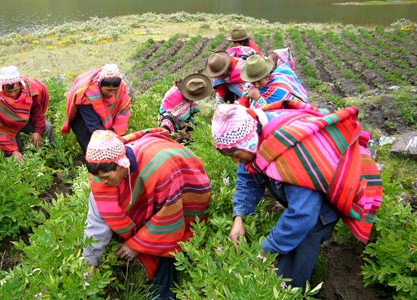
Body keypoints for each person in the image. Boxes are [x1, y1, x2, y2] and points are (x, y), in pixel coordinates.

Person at [210, 102, 383, 289]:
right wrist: (239, 217)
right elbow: (248, 177)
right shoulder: (256, 138)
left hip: (327, 196)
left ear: (249, 142)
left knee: (300, 252)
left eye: (236, 154)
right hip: (307, 196)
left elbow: (303, 214)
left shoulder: (290, 151)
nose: (236, 160)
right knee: (287, 242)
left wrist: (267, 250)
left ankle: (293, 290)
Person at [82, 129, 211, 299]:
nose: (103, 182)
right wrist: (90, 263)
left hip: (182, 181)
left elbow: (168, 218)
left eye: (106, 176)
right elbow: (96, 224)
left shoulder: (159, 170)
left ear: (122, 164)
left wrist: (137, 245)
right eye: (98, 177)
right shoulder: (102, 181)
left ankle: (164, 292)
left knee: (170, 245)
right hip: (157, 183)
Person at [0, 65, 55, 162]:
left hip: (26, 120)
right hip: (8, 127)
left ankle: (53, 154)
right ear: (2, 87)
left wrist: (38, 131)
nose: (13, 94)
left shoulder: (30, 91)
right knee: (17, 153)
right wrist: (12, 151)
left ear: (20, 85)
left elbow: (37, 113)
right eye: (9, 91)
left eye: (16, 90)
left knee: (48, 127)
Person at [61, 64, 132, 153]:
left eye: (115, 90)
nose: (112, 94)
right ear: (100, 86)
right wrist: (107, 142)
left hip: (106, 119)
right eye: (108, 90)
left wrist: (117, 137)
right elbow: (94, 126)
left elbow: (123, 114)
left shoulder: (122, 89)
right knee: (93, 150)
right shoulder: (87, 94)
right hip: (83, 121)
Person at [158, 73, 212, 143]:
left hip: (180, 122)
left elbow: (192, 113)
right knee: (171, 127)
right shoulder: (175, 95)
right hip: (169, 120)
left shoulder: (188, 94)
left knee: (192, 124)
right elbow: (178, 116)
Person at [240, 54, 308, 108]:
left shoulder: (279, 88)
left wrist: (258, 99)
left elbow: (278, 114)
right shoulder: (249, 87)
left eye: (259, 81)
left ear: (267, 76)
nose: (256, 85)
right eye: (253, 82)